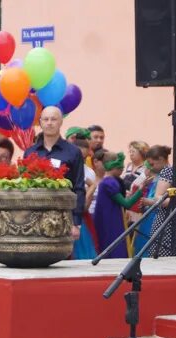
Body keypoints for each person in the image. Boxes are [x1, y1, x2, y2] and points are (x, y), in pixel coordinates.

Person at [25, 106, 85, 245]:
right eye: (46, 119)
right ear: (40, 122)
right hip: (34, 216)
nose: (49, 123)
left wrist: (76, 222)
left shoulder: (73, 152)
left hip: (62, 216)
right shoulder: (30, 153)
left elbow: (79, 187)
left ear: (61, 122)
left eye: (54, 119)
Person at [93, 152, 145, 259]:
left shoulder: (108, 182)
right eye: (120, 168)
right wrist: (140, 191)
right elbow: (127, 204)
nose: (122, 170)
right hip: (111, 221)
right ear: (114, 167)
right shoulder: (110, 183)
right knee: (114, 246)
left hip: (108, 218)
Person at [139, 144, 176, 258]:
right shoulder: (172, 171)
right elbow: (161, 198)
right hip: (170, 218)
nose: (151, 167)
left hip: (166, 219)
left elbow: (159, 198)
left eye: (152, 164)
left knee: (162, 254)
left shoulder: (166, 172)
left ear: (161, 159)